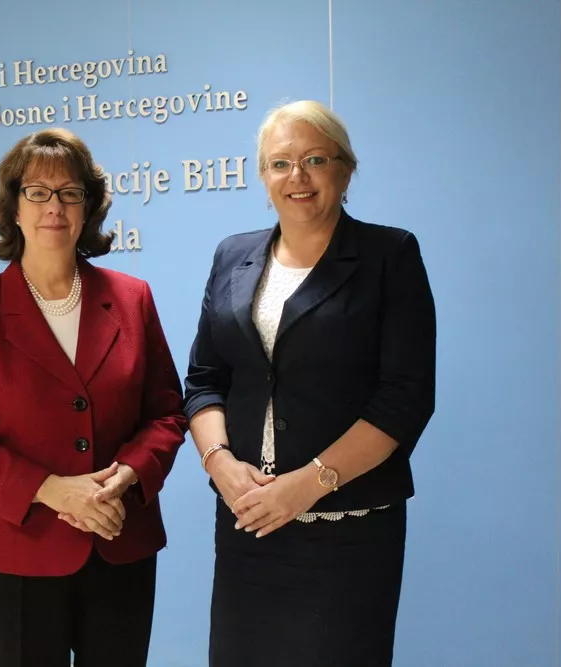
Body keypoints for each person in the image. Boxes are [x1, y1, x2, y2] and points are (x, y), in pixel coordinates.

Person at [183, 100, 437, 667]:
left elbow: (404, 397)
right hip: (249, 525)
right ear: (263, 176)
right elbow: (205, 379)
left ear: (346, 171)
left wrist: (310, 483)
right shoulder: (232, 255)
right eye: (280, 163)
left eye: (315, 159)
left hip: (347, 535)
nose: (296, 176)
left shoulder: (389, 255)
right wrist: (219, 464)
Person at [0, 127, 188, 667]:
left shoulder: (132, 299)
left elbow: (167, 413)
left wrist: (128, 475)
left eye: (70, 193)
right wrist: (51, 491)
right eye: (38, 192)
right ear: (14, 207)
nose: (55, 207)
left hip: (120, 540)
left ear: (88, 207)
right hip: (16, 554)